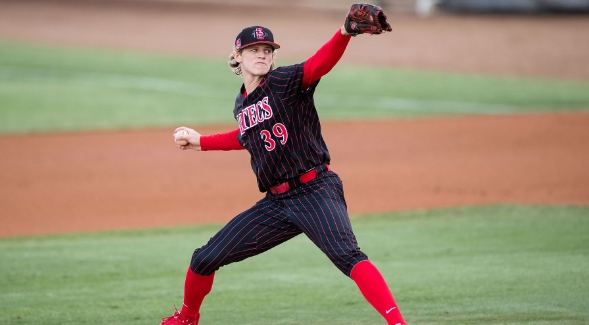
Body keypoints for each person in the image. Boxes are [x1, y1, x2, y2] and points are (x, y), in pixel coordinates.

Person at [160, 4, 406, 325]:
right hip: (276, 204)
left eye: (266, 50)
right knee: (203, 258)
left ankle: (397, 323)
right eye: (253, 49)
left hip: (316, 191)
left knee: (348, 257)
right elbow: (247, 135)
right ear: (237, 57)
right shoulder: (242, 102)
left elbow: (319, 64)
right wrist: (201, 142)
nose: (261, 54)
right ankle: (187, 318)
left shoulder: (285, 80)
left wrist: (344, 32)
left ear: (273, 57)